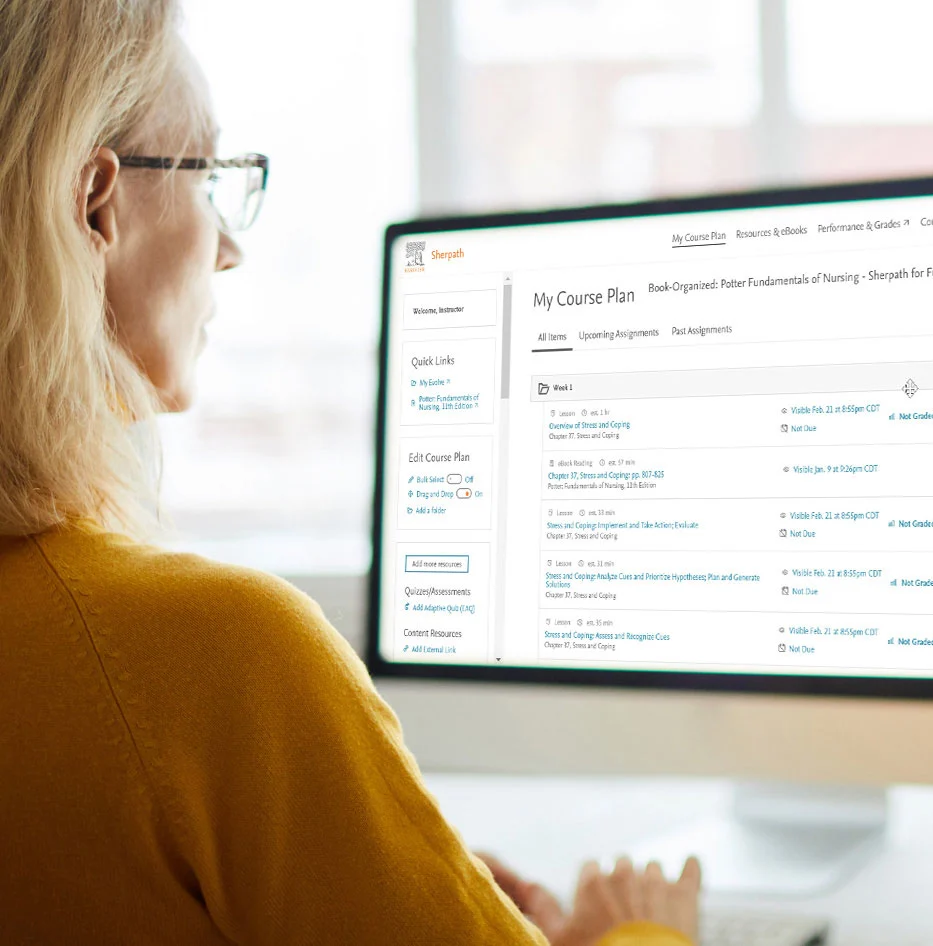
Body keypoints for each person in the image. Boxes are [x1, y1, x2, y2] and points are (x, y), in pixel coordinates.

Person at [0, 2, 700, 943]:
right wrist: (641, 932)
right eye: (211, 179)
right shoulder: (218, 656)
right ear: (99, 205)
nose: (231, 248)